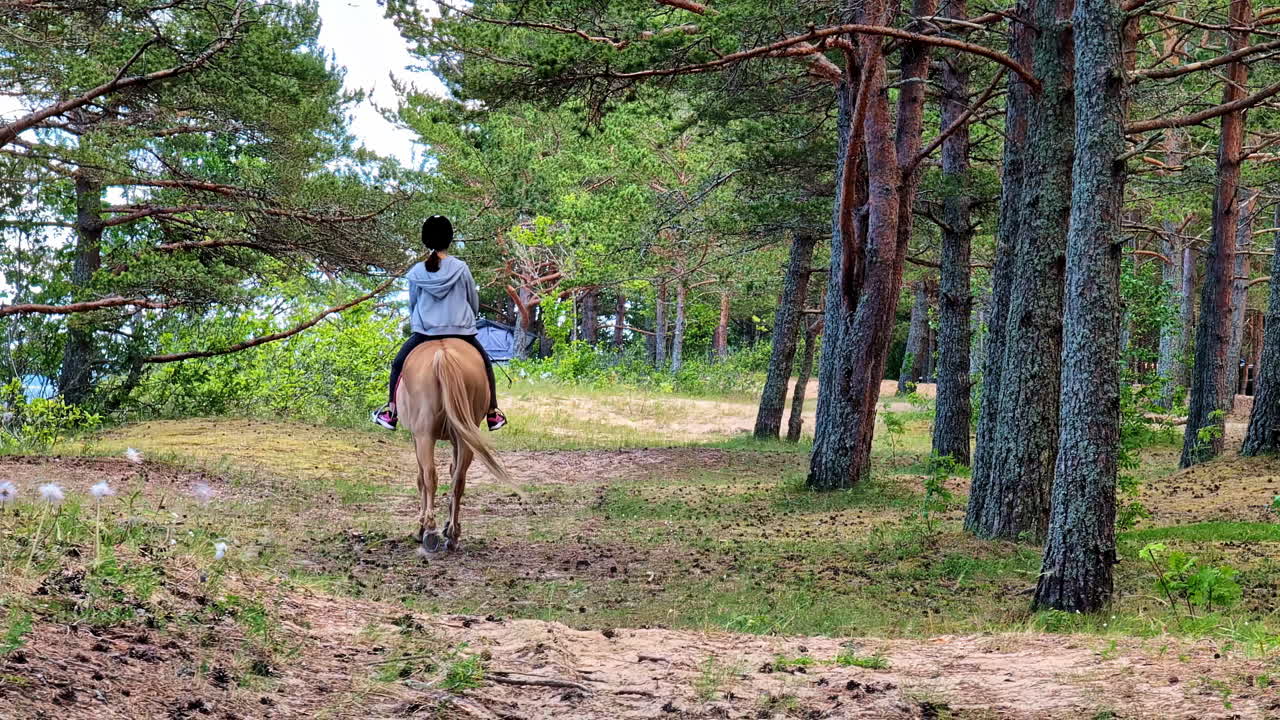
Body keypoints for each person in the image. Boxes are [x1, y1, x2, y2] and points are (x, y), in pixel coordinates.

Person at [372, 215, 507, 431]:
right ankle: (492, 412)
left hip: (426, 333)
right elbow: (473, 302)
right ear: (449, 239)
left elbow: (413, 304)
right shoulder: (461, 268)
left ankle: (391, 412)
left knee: (398, 365)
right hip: (461, 333)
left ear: (426, 240)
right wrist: (464, 321)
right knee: (485, 365)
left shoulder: (416, 272)